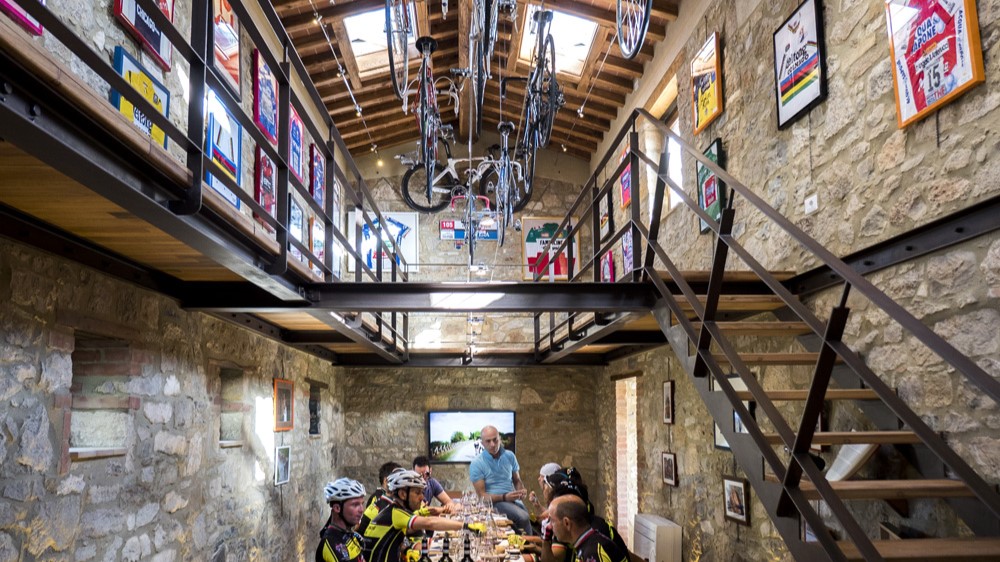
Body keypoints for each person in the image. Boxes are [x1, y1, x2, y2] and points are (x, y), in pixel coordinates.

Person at [366, 469, 484, 562]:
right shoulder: (396, 512)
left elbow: (392, 541)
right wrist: (466, 526)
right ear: (402, 494)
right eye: (417, 493)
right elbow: (430, 523)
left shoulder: (392, 509)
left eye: (422, 493)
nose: (422, 497)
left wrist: (407, 550)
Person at [469, 425, 532, 534]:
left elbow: (517, 480)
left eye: (495, 440)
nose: (492, 444)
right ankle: (531, 547)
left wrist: (521, 491)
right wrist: (504, 497)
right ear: (482, 443)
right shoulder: (476, 463)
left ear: (500, 439)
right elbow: (482, 497)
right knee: (524, 517)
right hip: (494, 502)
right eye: (488, 441)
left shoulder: (510, 456)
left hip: (512, 500)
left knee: (529, 519)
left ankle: (526, 546)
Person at [548, 495, 629, 562]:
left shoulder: (594, 552)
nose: (550, 526)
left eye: (552, 521)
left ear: (567, 523)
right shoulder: (584, 545)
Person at [317, 478, 368, 562]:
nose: (361, 510)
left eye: (362, 503)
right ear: (337, 508)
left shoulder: (348, 533)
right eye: (355, 505)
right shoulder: (331, 543)